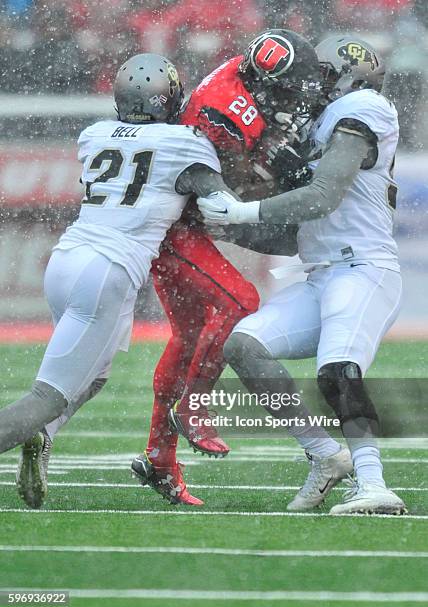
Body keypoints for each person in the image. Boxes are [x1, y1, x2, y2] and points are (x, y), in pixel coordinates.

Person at [0, 52, 238, 508]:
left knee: (93, 377)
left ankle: (42, 438)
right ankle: (40, 426)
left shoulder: (94, 134)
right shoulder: (184, 142)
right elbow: (221, 206)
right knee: (47, 396)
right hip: (108, 271)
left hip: (67, 260)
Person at [198, 35, 407, 515]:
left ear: (346, 75)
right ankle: (322, 455)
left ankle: (373, 484)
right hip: (322, 273)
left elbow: (322, 197)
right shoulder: (320, 124)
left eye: (321, 75)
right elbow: (296, 237)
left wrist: (244, 210)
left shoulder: (364, 107)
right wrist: (224, 227)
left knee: (336, 370)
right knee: (245, 346)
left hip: (364, 268)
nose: (310, 86)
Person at [141, 29, 328, 503]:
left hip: (178, 221)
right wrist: (275, 168)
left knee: (187, 338)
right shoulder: (227, 110)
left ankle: (159, 458)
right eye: (286, 91)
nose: (291, 102)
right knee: (241, 302)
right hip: (175, 224)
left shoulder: (243, 80)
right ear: (265, 85)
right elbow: (227, 194)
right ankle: (197, 408)